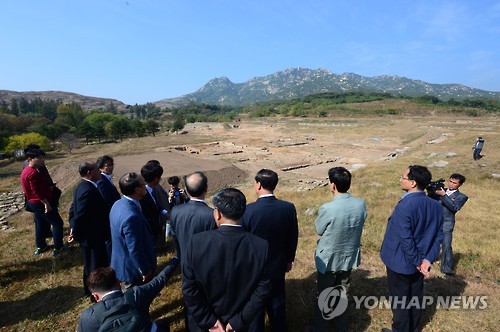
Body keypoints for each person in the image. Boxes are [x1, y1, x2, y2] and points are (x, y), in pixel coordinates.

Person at [182, 188, 272, 332]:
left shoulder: (196, 243)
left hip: (206, 325)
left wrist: (209, 321)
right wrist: (239, 321)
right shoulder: (261, 246)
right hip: (245, 325)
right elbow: (263, 289)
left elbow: (189, 289)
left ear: (217, 214)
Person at [380, 165, 444, 332]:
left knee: (400, 301)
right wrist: (427, 260)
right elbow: (438, 236)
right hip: (422, 262)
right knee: (415, 297)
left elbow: (406, 238)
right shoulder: (436, 206)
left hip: (401, 261)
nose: (400, 180)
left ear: (413, 183)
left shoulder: (405, 205)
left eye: (403, 177)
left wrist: (417, 262)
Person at [241, 168, 298, 331]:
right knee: (277, 301)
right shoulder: (288, 208)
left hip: (254, 267)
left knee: (255, 304)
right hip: (278, 263)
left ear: (258, 185)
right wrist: (289, 259)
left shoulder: (248, 210)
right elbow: (292, 236)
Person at [313, 167, 367, 332]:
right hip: (348, 255)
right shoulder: (360, 204)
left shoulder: (328, 208)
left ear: (333, 185)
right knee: (343, 292)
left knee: (324, 293)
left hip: (329, 257)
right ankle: (340, 326)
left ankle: (321, 327)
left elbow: (319, 229)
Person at [77, 256, 179, 332]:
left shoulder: (87, 316)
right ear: (118, 283)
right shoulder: (136, 294)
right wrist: (176, 258)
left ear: (95, 296)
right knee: (162, 325)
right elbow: (160, 279)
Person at [69, 161, 112, 297]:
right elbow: (79, 215)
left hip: (93, 235)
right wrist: (75, 233)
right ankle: (95, 292)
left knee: (91, 263)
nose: (100, 171)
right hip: (92, 236)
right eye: (96, 169)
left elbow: (73, 210)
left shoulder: (84, 186)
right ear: (89, 172)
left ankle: (91, 290)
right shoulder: (87, 190)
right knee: (94, 266)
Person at [110, 172, 156, 288]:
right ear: (137, 190)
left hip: (120, 263)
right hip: (132, 271)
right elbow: (135, 249)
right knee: (136, 303)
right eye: (143, 184)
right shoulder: (131, 217)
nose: (145, 185)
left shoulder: (118, 204)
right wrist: (144, 270)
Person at [20, 148, 66, 256]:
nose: (42, 160)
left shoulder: (26, 170)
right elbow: (36, 192)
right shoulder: (33, 173)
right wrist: (46, 203)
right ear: (30, 159)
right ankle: (59, 247)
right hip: (40, 203)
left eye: (42, 157)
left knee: (39, 224)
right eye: (39, 158)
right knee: (57, 223)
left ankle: (41, 246)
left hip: (33, 203)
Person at [169, 171, 216, 264]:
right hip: (204, 264)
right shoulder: (212, 215)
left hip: (184, 262)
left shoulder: (175, 211)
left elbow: (174, 237)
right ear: (206, 188)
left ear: (186, 189)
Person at [430, 173, 468, 276]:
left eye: (454, 183)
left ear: (460, 185)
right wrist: (431, 190)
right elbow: (429, 200)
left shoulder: (462, 196)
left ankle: (446, 269)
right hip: (434, 221)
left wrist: (444, 196)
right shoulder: (441, 189)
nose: (451, 184)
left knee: (446, 245)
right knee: (429, 242)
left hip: (447, 223)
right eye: (450, 181)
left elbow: (454, 208)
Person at [140, 162, 168, 250]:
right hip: (150, 233)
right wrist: (159, 228)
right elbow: (147, 216)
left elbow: (156, 205)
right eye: (159, 177)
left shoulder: (152, 190)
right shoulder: (142, 195)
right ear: (156, 179)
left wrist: (165, 213)